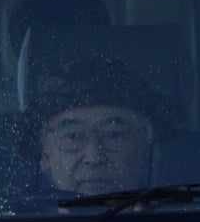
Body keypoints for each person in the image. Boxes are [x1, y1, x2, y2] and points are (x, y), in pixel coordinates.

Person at [30, 60, 163, 198]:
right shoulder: (14, 218)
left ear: (146, 152)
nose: (94, 158)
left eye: (114, 135)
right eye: (73, 136)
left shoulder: (180, 215)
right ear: (44, 154)